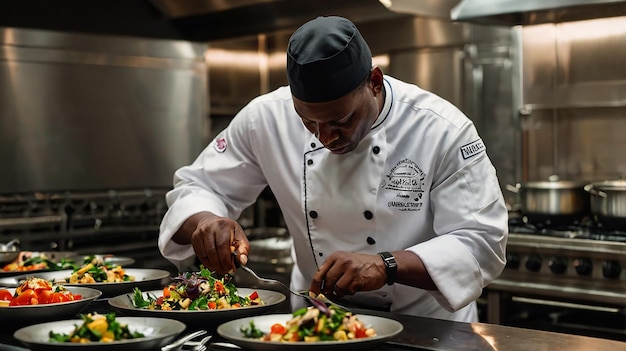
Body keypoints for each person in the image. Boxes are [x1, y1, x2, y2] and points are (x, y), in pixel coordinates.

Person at [158, 15, 508, 322]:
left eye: (341, 120)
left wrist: (386, 265)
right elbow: (198, 187)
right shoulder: (264, 118)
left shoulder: (441, 129)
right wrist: (206, 222)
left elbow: (481, 243)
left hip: (425, 326)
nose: (325, 136)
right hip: (315, 320)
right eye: (308, 122)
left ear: (374, 81)